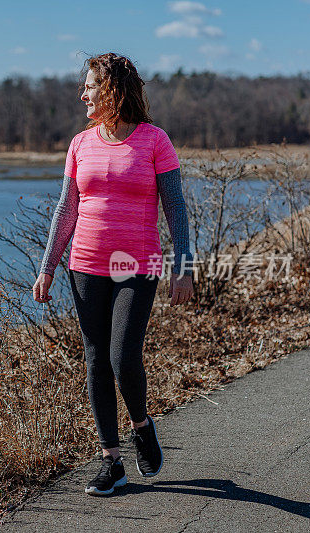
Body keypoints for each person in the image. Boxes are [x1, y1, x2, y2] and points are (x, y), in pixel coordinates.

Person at [32, 52, 195, 496]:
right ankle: (111, 461)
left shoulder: (155, 141)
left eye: (89, 86)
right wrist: (47, 267)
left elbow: (176, 208)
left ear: (112, 90)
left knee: (123, 357)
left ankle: (141, 425)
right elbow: (67, 208)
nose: (82, 93)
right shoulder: (80, 144)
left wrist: (184, 267)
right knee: (96, 359)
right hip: (84, 266)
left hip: (139, 266)